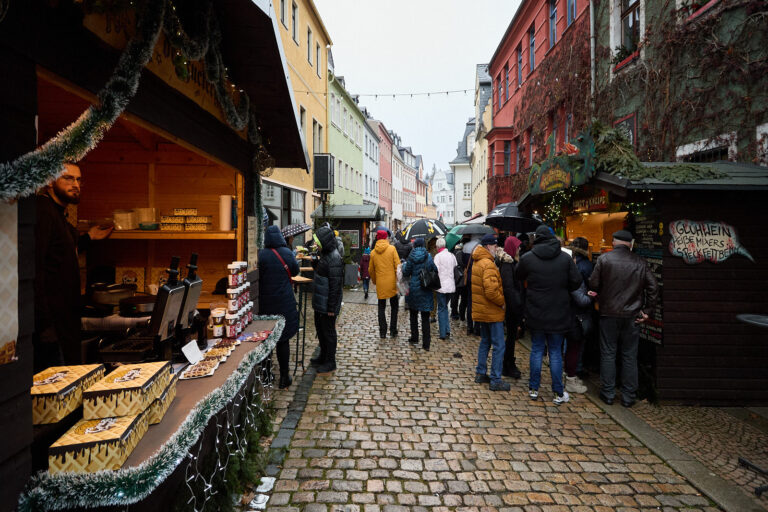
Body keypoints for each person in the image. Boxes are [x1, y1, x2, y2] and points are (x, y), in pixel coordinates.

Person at [34, 163, 112, 371]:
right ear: (50, 182)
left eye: (78, 180)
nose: (75, 184)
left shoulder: (58, 214)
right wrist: (44, 326)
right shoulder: (42, 212)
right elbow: (35, 269)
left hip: (66, 318)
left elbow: (64, 246)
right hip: (51, 322)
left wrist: (89, 237)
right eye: (68, 179)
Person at [589, 230, 659, 408]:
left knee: (608, 353)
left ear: (613, 242)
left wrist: (599, 295)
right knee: (629, 355)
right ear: (630, 243)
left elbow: (594, 283)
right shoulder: (640, 262)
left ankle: (608, 393)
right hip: (632, 315)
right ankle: (628, 396)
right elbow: (653, 288)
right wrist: (647, 311)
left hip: (608, 313)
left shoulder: (604, 260)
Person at [516, 225, 582, 405]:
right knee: (555, 352)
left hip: (536, 310)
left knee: (536, 349)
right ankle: (558, 392)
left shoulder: (528, 258)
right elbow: (576, 282)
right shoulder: (565, 258)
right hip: (559, 311)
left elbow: (517, 275)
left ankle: (534, 389)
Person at [258, 225, 300, 388]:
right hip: (284, 303)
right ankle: (284, 377)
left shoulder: (261, 255)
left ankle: (266, 375)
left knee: (267, 340)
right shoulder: (287, 253)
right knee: (282, 340)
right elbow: (295, 272)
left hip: (266, 303)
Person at [471, 234, 509, 391]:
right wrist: (502, 303)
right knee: (499, 345)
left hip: (482, 310)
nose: (496, 248)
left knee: (485, 342)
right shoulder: (488, 264)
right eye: (494, 246)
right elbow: (491, 291)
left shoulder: (478, 261)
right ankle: (495, 379)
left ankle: (481, 373)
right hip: (492, 311)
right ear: (488, 246)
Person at [311, 225, 344, 374]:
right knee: (321, 329)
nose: (315, 244)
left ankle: (330, 361)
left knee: (328, 333)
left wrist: (331, 308)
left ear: (324, 241)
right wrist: (315, 262)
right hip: (321, 302)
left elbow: (335, 285)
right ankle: (323, 356)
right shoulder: (325, 254)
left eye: (317, 242)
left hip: (327, 304)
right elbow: (322, 272)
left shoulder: (334, 258)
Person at [401, 238, 437, 351]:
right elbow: (434, 269)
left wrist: (404, 265)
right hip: (425, 288)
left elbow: (406, 272)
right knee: (425, 317)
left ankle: (415, 337)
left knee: (413, 314)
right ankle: (426, 344)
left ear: (414, 246)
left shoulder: (411, 256)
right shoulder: (428, 256)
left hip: (414, 289)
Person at [496, 236, 523, 379]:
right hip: (510, 308)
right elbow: (508, 289)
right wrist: (516, 306)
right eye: (517, 246)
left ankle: (508, 363)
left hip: (512, 307)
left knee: (511, 337)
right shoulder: (507, 264)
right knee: (510, 337)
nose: (519, 249)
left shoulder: (511, 262)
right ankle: (507, 365)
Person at [368, 230, 400, 338]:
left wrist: (375, 280)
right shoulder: (392, 249)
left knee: (381, 307)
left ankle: (382, 331)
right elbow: (398, 266)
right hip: (392, 283)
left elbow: (371, 270)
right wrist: (398, 280)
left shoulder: (373, 252)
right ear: (386, 238)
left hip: (381, 282)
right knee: (394, 307)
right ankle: (393, 330)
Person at [433, 237, 457, 340]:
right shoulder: (452, 255)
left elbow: (435, 270)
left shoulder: (438, 256)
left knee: (442, 309)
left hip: (441, 287)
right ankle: (447, 330)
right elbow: (455, 266)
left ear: (438, 246)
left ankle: (443, 333)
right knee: (445, 308)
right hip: (451, 286)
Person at [450, 243, 466, 320]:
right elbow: (461, 263)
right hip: (461, 278)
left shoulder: (453, 253)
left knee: (455, 297)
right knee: (462, 297)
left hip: (455, 278)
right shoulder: (460, 253)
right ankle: (458, 314)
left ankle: (454, 313)